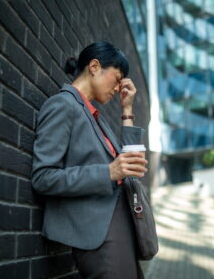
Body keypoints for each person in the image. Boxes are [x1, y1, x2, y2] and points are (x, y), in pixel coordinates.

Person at [31, 41, 148, 278]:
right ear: (94, 66)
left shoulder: (95, 116)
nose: (118, 88)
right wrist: (108, 173)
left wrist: (127, 109)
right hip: (97, 234)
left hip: (119, 225)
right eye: (117, 79)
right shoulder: (62, 105)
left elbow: (128, 161)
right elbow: (43, 178)